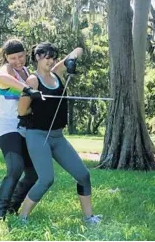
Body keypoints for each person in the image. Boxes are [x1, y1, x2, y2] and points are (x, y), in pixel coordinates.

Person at [17, 42, 101, 224]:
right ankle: (22, 217)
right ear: (37, 58)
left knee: (83, 175)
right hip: (38, 135)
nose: (50, 60)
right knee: (46, 179)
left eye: (53, 57)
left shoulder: (57, 73)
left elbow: (77, 50)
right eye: (46, 57)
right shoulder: (32, 80)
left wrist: (70, 61)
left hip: (57, 136)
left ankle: (89, 218)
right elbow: (22, 111)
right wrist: (37, 104)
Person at [0, 38, 43, 221]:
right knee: (15, 168)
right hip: (6, 126)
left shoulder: (28, 72)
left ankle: (12, 208)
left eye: (20, 56)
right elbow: (0, 78)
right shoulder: (7, 70)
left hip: (23, 128)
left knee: (33, 174)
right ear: (6, 57)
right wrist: (27, 90)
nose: (18, 61)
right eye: (13, 58)